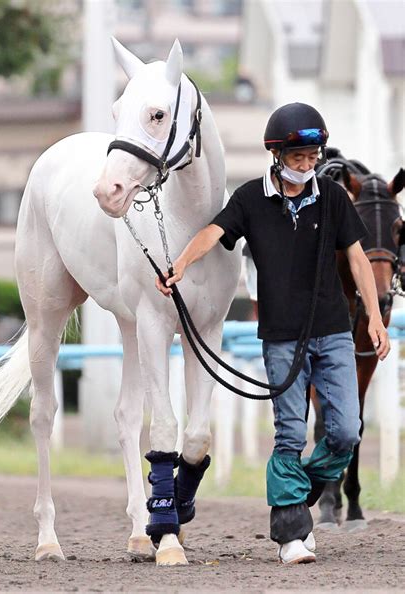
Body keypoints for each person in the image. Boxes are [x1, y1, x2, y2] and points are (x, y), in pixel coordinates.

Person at [156, 102, 390, 564]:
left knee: (346, 430)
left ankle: (295, 493)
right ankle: (289, 533)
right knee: (289, 434)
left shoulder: (334, 197)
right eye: (299, 157)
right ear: (277, 155)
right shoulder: (249, 199)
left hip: (334, 332)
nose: (307, 165)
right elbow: (212, 232)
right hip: (282, 338)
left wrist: (375, 318)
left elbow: (360, 259)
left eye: (313, 157)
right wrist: (180, 264)